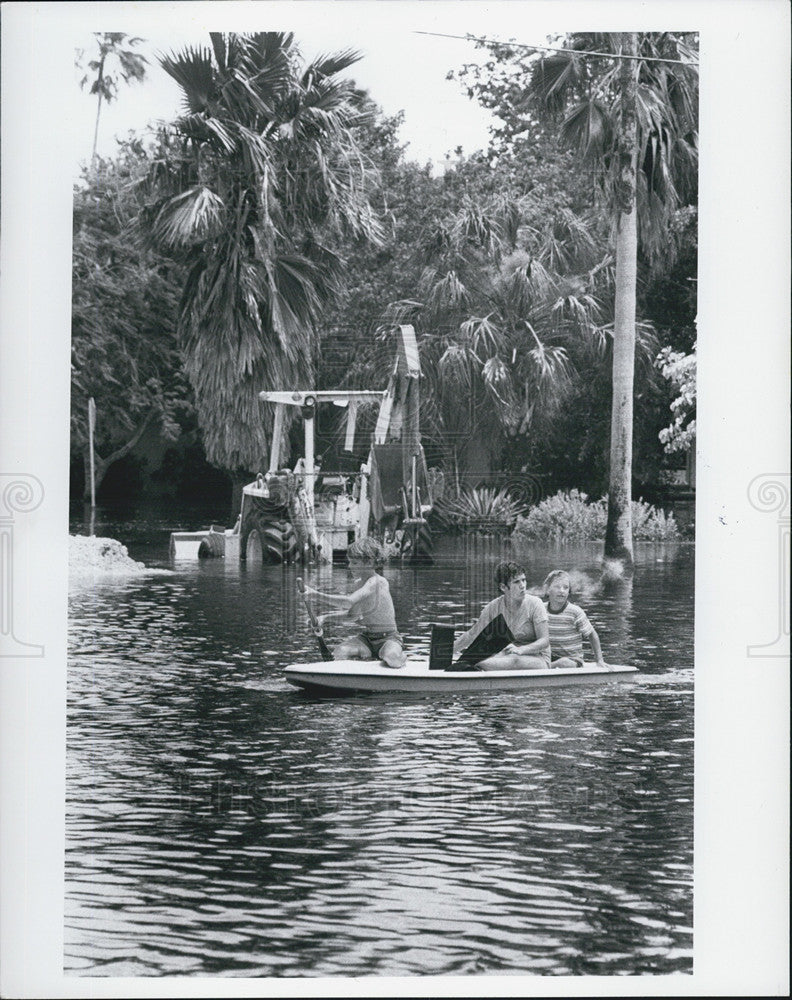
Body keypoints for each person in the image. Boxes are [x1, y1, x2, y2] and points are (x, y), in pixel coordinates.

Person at [302, 537, 406, 669]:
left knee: (391, 658)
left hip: (389, 638)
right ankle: (370, 656)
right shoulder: (358, 584)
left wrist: (315, 595)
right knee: (338, 654)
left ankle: (400, 656)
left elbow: (348, 602)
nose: (350, 566)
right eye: (350, 562)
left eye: (355, 563)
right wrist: (324, 618)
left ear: (369, 563)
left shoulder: (377, 582)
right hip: (367, 639)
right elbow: (352, 615)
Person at [453, 561, 550, 671]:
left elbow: (544, 641)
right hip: (506, 656)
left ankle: (472, 667)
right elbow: (472, 634)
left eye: (523, 580)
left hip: (538, 659)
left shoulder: (535, 603)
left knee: (511, 659)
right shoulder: (493, 607)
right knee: (482, 658)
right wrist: (445, 652)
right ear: (503, 587)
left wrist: (521, 650)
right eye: (516, 582)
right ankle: (470, 667)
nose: (522, 586)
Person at [543, 569, 610, 669]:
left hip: (572, 660)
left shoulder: (575, 611)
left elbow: (592, 635)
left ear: (569, 591)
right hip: (548, 657)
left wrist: (599, 660)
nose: (561, 591)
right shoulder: (541, 609)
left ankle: (545, 668)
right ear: (548, 589)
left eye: (565, 588)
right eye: (557, 587)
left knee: (564, 663)